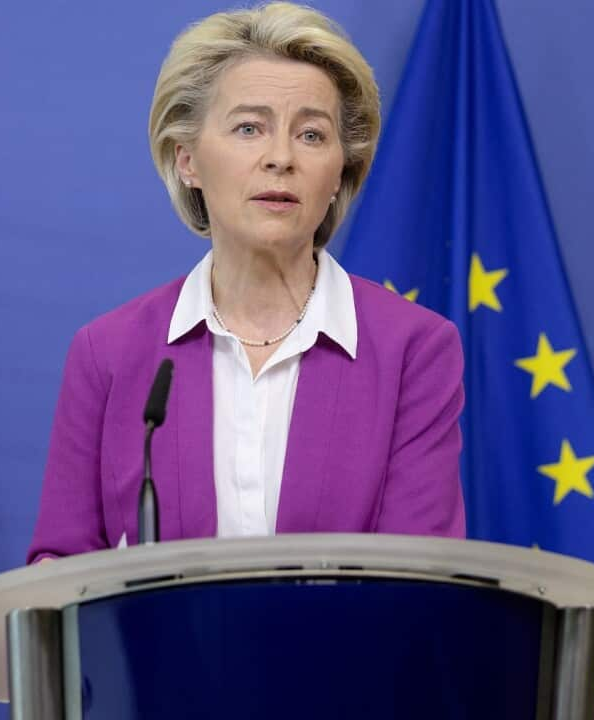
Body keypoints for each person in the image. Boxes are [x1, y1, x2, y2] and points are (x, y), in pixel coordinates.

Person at [27, 2, 464, 563]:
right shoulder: (109, 353)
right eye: (249, 128)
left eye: (310, 134)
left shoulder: (413, 349)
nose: (280, 158)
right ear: (188, 160)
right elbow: (56, 571)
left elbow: (420, 578)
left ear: (340, 171)